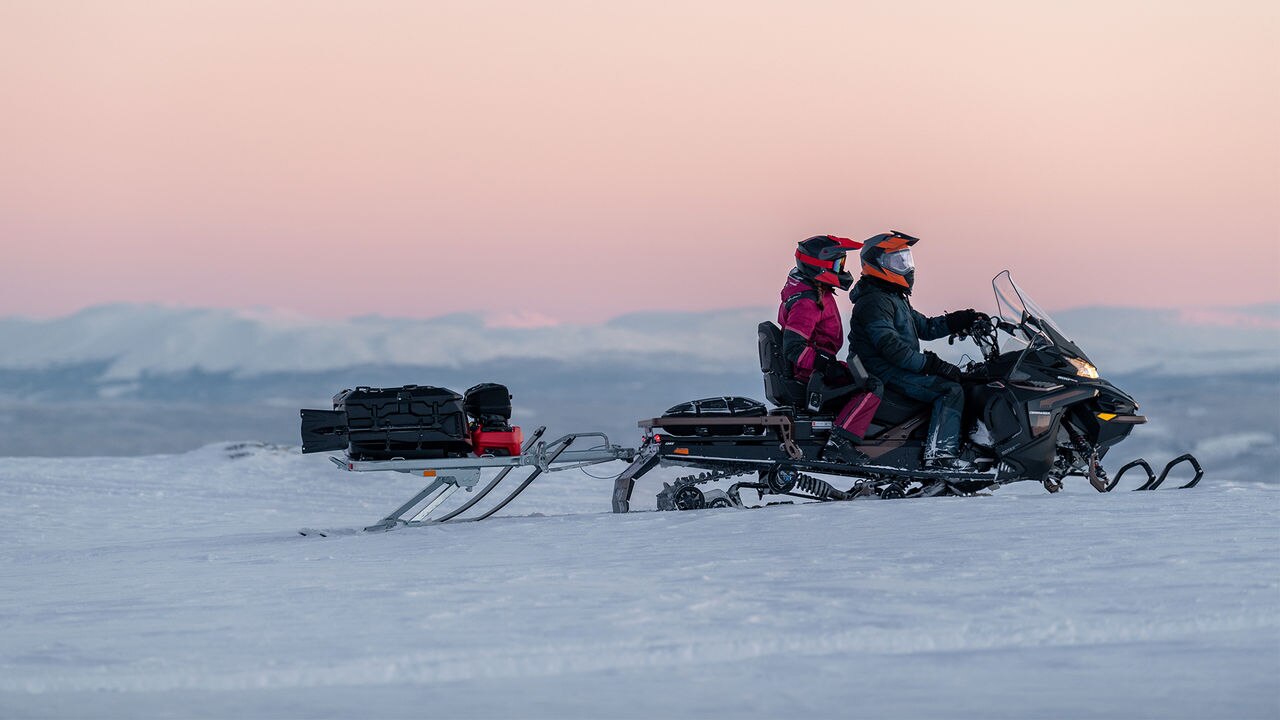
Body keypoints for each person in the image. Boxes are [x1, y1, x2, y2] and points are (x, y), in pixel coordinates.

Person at [846, 231, 987, 469]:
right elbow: (892, 349)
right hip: (885, 372)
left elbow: (924, 326)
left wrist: (960, 320)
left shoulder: (890, 296)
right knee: (949, 390)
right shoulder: (875, 301)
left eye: (906, 260)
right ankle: (941, 455)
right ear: (876, 264)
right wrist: (931, 365)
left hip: (894, 367)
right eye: (897, 261)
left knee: (964, 380)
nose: (906, 267)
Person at [780, 235, 884, 465]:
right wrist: (827, 365)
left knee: (862, 374)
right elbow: (794, 348)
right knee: (872, 386)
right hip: (811, 374)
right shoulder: (807, 301)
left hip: (814, 369)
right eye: (838, 264)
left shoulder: (810, 288)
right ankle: (840, 441)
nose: (842, 269)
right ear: (819, 265)